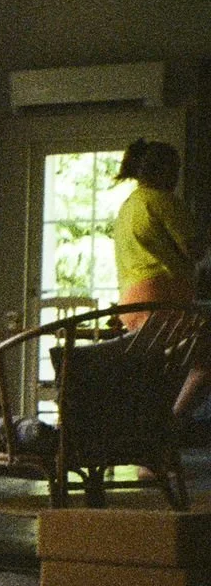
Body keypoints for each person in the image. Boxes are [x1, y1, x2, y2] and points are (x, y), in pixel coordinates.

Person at [111, 138, 209, 422]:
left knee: (170, 370)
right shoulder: (162, 201)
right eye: (175, 170)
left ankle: (163, 426)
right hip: (162, 303)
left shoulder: (129, 206)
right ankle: (171, 423)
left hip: (132, 305)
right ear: (161, 170)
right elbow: (195, 250)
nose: (177, 177)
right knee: (206, 358)